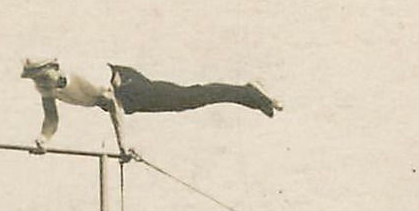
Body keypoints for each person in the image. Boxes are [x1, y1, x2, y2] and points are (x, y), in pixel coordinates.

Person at [20, 56, 280, 157]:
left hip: (128, 87)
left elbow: (114, 108)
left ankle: (249, 92)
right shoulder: (45, 87)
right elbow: (51, 119)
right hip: (121, 99)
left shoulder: (84, 74)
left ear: (56, 68)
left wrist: (123, 146)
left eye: (43, 77)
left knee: (188, 97)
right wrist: (44, 139)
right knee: (189, 98)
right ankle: (250, 94)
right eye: (36, 79)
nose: (41, 84)